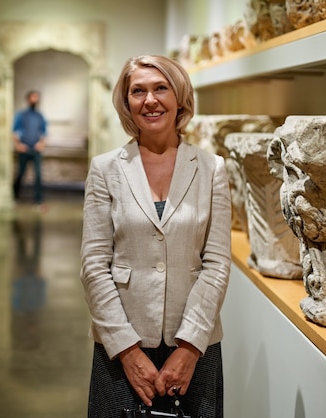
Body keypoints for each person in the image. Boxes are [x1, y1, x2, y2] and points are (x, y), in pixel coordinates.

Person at [80, 55, 232, 418]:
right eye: (138, 91)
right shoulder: (105, 169)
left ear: (179, 97)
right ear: (126, 102)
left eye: (160, 88)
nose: (150, 100)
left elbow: (217, 263)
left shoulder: (212, 169)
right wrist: (128, 350)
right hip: (122, 343)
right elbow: (94, 266)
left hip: (194, 344)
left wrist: (189, 347)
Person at [12, 90, 48, 208]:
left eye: (37, 98)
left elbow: (44, 132)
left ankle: (38, 200)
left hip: (36, 150)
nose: (35, 100)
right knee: (21, 174)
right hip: (24, 149)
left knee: (38, 175)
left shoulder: (39, 116)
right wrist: (18, 145)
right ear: (28, 99)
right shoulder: (21, 115)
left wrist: (41, 144)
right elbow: (14, 131)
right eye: (33, 97)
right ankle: (14, 197)